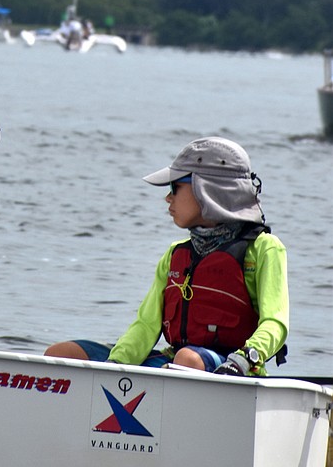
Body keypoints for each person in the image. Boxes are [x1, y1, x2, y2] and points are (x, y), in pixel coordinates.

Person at [44, 136, 288, 375]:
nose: (168, 198)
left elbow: (275, 324)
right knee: (62, 352)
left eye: (176, 187)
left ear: (208, 190)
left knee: (187, 359)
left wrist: (244, 359)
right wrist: (114, 365)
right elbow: (146, 326)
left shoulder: (264, 249)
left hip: (234, 369)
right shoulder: (175, 254)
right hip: (176, 363)